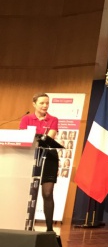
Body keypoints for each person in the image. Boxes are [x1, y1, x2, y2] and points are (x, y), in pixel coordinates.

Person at [19, 93, 59, 232]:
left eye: (47, 103)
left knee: (47, 193)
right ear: (34, 104)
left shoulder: (53, 119)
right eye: (42, 103)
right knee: (27, 192)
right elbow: (23, 138)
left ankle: (49, 229)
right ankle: (25, 225)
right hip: (30, 155)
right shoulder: (26, 119)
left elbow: (50, 137)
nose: (45, 106)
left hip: (48, 156)